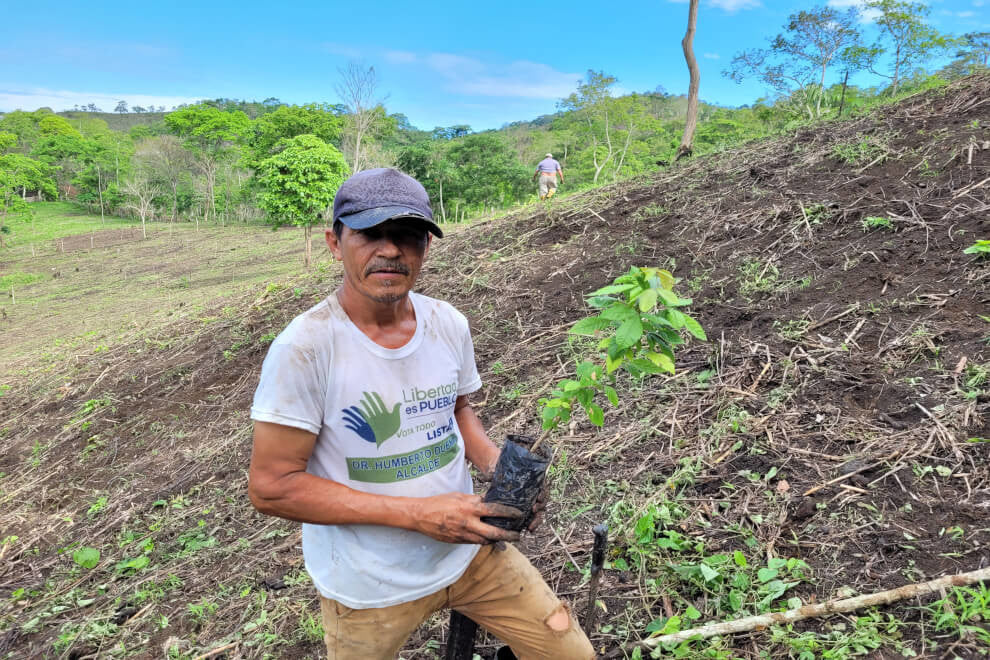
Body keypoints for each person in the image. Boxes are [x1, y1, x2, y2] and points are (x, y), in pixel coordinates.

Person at [247, 168, 594, 659]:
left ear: (425, 248)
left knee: (569, 651)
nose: (389, 250)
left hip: (469, 552)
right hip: (369, 585)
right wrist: (416, 515)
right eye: (369, 233)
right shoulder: (306, 348)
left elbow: (458, 410)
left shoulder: (446, 324)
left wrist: (495, 467)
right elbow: (271, 486)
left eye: (407, 235)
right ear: (334, 242)